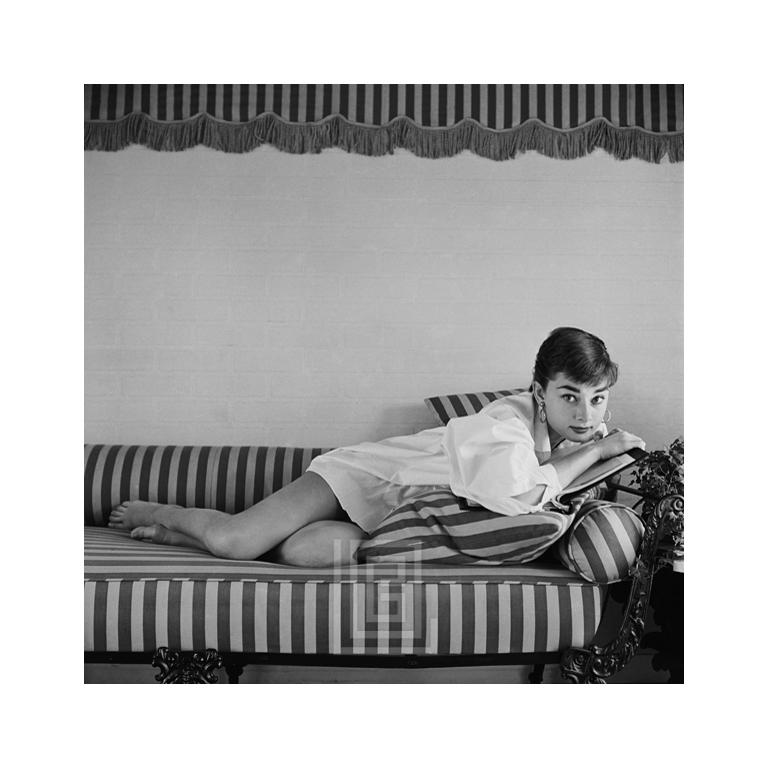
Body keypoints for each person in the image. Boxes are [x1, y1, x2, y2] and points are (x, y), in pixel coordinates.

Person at [109, 327, 645, 565]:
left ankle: (198, 540)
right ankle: (169, 516)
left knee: (306, 552)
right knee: (234, 542)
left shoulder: (569, 436)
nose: (584, 414)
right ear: (539, 393)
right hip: (361, 480)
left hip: (388, 519)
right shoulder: (507, 422)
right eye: (569, 396)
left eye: (597, 400)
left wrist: (598, 450)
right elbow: (512, 497)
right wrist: (593, 451)